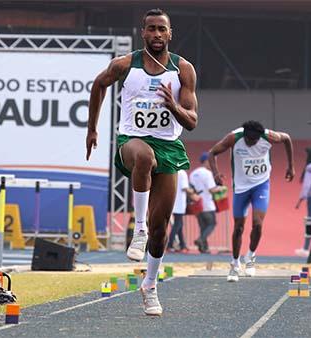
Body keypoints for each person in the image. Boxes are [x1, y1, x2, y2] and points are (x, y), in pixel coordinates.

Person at [86, 8, 198, 315]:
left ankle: (149, 285)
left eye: (162, 29)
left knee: (161, 228)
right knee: (145, 157)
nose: (157, 35)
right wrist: (92, 128)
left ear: (170, 34)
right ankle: (138, 230)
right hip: (132, 143)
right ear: (143, 32)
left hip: (169, 147)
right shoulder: (125, 64)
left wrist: (173, 105)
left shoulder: (182, 70)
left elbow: (192, 122)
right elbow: (98, 85)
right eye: (151, 29)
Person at [208, 120, 294, 282]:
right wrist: (215, 173)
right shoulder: (234, 138)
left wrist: (291, 166)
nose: (251, 143)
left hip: (261, 185)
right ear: (244, 135)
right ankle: (234, 264)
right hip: (241, 188)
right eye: (249, 141)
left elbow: (287, 138)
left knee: (258, 223)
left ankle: (251, 256)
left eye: (255, 141)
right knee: (239, 227)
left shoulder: (269, 137)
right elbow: (212, 153)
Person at [189, 152, 224, 253]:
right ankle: (200, 240)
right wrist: (221, 188)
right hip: (207, 204)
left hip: (197, 203)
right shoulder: (207, 173)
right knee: (211, 224)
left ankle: (203, 248)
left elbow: (191, 188)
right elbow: (212, 189)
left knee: (203, 226)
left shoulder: (194, 173)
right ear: (206, 161)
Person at [167, 169, 199, 253]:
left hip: (173, 201)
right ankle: (169, 245)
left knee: (179, 224)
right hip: (179, 203)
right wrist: (193, 191)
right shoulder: (182, 173)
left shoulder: (173, 171)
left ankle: (182, 245)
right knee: (178, 224)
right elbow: (185, 188)